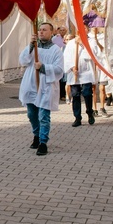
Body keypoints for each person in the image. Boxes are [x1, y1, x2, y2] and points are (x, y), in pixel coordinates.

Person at [18, 23, 64, 156]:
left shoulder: (56, 50)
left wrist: (43, 67)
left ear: (51, 32)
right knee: (31, 114)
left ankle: (43, 142)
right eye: (40, 30)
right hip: (31, 83)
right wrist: (31, 46)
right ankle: (36, 135)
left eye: (44, 30)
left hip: (46, 85)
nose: (41, 32)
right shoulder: (34, 47)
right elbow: (23, 60)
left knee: (43, 115)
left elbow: (59, 70)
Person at [64, 30, 99, 127]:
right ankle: (77, 117)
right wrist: (72, 67)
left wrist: (83, 45)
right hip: (74, 73)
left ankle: (89, 112)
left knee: (87, 93)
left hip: (86, 73)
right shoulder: (71, 43)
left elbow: (93, 54)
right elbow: (66, 57)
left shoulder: (91, 41)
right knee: (75, 95)